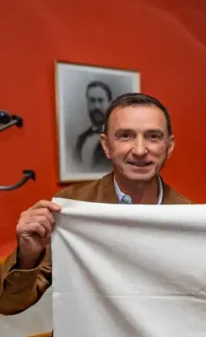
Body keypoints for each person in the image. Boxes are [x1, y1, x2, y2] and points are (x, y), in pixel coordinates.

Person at [0, 92, 191, 316]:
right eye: (125, 136)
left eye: (153, 137)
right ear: (106, 145)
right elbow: (9, 304)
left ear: (169, 146)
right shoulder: (71, 207)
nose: (140, 150)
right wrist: (28, 255)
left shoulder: (188, 216)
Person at [74, 80, 113, 171]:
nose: (96, 106)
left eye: (100, 100)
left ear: (110, 104)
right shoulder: (81, 139)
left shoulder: (120, 139)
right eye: (92, 101)